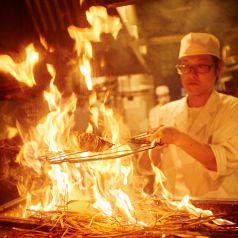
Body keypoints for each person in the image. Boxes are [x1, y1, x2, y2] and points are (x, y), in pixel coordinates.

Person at [139, 32, 238, 199]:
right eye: (185, 66)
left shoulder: (232, 109)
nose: (191, 73)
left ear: (218, 68)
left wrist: (176, 137)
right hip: (173, 212)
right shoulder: (165, 112)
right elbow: (145, 168)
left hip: (220, 213)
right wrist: (154, 149)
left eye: (201, 66)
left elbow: (218, 162)